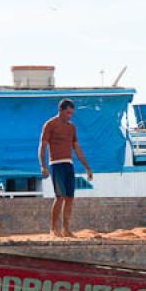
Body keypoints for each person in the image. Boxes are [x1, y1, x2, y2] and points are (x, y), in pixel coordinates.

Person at [38, 99, 93, 237]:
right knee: (60, 196)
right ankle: (53, 228)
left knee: (69, 197)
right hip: (56, 164)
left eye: (71, 114)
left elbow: (77, 148)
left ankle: (66, 229)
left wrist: (87, 167)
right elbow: (42, 146)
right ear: (60, 110)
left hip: (69, 164)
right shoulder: (50, 124)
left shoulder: (71, 127)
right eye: (68, 113)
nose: (70, 116)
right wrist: (43, 166)